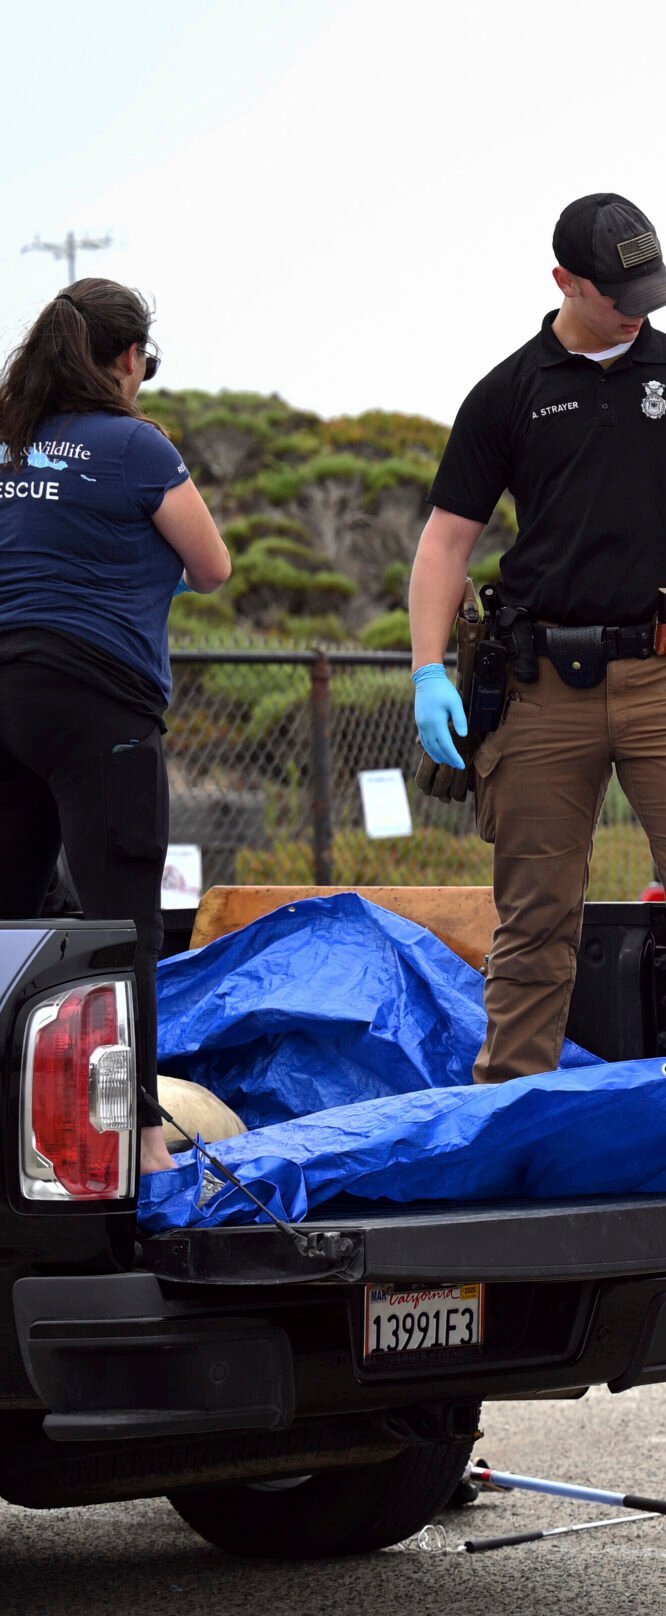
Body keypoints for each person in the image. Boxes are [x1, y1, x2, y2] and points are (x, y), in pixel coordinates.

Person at [407, 194, 666, 1113]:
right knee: (534, 928)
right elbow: (445, 541)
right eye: (617, 293)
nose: (638, 310)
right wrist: (429, 670)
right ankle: (510, 1131)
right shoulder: (508, 392)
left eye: (648, 289)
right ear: (563, 281)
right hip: (542, 687)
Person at [0, 280, 231, 1177]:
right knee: (121, 925)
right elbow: (211, 567)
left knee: (12, 920)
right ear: (129, 359)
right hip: (98, 705)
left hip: (7, 691)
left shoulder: (9, 436)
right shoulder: (136, 445)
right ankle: (137, 1139)